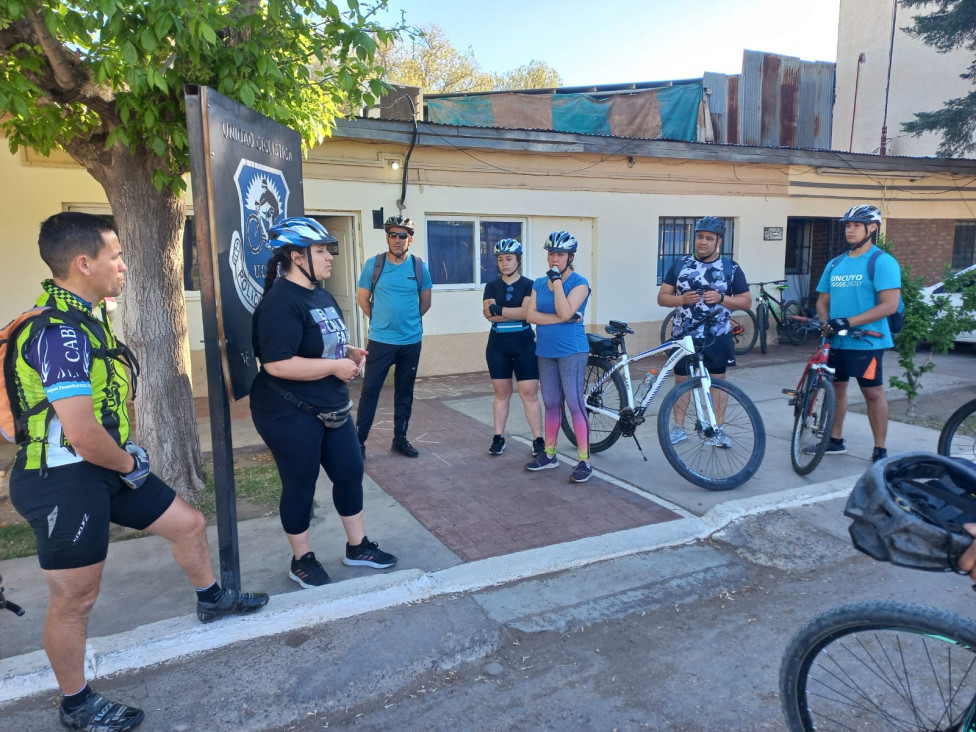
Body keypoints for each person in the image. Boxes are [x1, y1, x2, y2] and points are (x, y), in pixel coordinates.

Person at [7, 212, 269, 732]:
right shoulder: (60, 334)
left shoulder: (85, 317)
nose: (124, 266)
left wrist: (123, 463)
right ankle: (75, 703)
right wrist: (130, 464)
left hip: (103, 465)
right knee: (75, 598)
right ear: (84, 264)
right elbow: (80, 433)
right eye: (116, 256)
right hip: (62, 479)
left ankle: (212, 599)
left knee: (188, 524)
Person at [250, 217, 397, 589]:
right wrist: (334, 365)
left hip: (330, 404)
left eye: (328, 250)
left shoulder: (321, 294)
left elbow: (316, 342)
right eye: (320, 251)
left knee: (349, 471)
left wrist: (346, 351)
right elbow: (277, 363)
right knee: (300, 483)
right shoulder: (280, 303)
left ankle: (357, 546)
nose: (329, 257)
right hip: (288, 409)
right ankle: (301, 560)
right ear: (296, 257)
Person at [656, 216, 752, 448]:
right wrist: (681, 298)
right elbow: (662, 298)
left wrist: (723, 298)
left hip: (717, 335)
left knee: (717, 382)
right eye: (700, 237)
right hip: (684, 335)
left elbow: (746, 301)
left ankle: (717, 428)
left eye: (709, 238)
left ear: (718, 241)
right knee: (682, 381)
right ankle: (678, 428)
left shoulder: (731, 267)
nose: (703, 242)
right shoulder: (680, 265)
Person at [816, 204, 901, 463]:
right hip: (837, 342)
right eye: (847, 226)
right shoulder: (835, 263)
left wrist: (848, 321)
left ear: (872, 228)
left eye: (855, 225)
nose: (849, 231)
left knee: (872, 393)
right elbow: (822, 302)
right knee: (836, 389)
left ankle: (880, 449)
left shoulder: (882, 262)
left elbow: (889, 305)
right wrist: (826, 325)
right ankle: (836, 440)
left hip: (867, 342)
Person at [356, 215, 433, 458]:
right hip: (380, 341)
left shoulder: (419, 267)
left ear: (410, 239)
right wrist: (382, 321)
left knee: (404, 392)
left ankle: (399, 440)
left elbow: (425, 303)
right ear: (387, 237)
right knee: (370, 391)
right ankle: (358, 443)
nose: (397, 240)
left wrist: (406, 323)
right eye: (393, 235)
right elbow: (362, 300)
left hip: (410, 342)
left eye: (403, 235)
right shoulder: (374, 264)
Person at [524, 231, 593, 482]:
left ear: (570, 257)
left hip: (572, 350)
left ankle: (584, 461)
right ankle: (550, 455)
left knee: (574, 403)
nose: (555, 258)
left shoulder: (579, 283)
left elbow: (565, 310)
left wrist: (558, 285)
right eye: (552, 253)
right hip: (545, 350)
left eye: (560, 254)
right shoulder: (538, 283)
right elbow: (531, 316)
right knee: (552, 403)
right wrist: (559, 319)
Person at [482, 238, 544, 457]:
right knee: (501, 393)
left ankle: (538, 439)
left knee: (529, 394)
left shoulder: (530, 284)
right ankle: (498, 437)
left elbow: (527, 314)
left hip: (524, 344)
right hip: (498, 345)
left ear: (518, 260)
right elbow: (489, 315)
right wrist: (512, 311)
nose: (504, 263)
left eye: (509, 259)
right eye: (500, 259)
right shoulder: (491, 286)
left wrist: (501, 309)